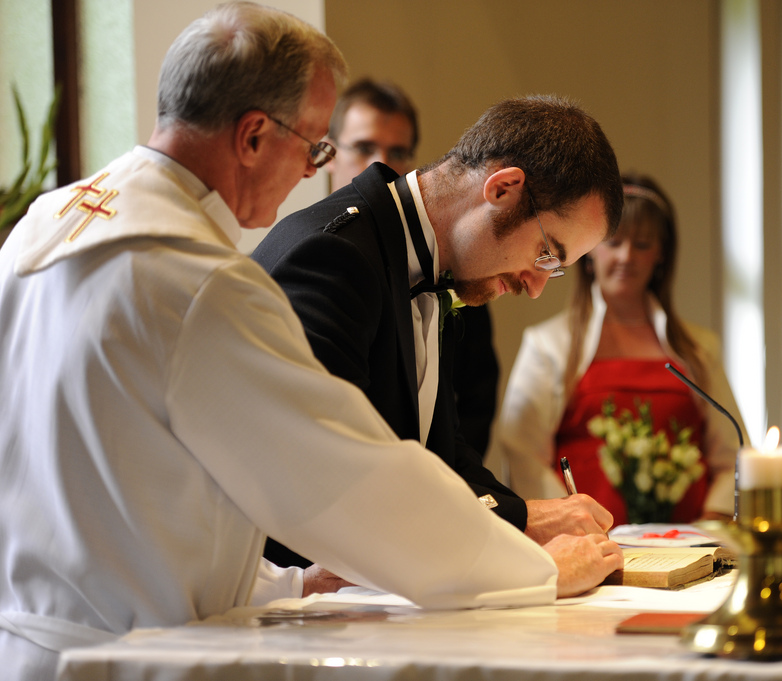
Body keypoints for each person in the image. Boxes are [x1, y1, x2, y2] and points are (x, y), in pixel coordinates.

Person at [0, 5, 621, 679]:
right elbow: (343, 474)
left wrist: (283, 586)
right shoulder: (194, 277)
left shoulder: (42, 227)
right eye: (315, 145)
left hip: (38, 641)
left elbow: (124, 496)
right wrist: (534, 572)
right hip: (132, 657)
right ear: (253, 136)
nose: (311, 172)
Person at [251, 94, 623, 568]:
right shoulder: (335, 258)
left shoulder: (426, 261)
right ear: (503, 189)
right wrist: (530, 544)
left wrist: (530, 515)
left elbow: (441, 455)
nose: (534, 288)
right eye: (546, 254)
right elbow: (331, 479)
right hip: (294, 607)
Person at [495, 174, 749, 526]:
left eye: (642, 244)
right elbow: (523, 453)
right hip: (586, 541)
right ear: (588, 251)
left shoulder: (698, 349)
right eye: (614, 242)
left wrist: (710, 527)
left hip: (690, 545)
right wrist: (573, 524)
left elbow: (732, 453)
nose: (627, 256)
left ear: (661, 254)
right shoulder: (548, 345)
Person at [327, 78, 500, 456]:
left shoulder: (451, 267)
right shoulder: (317, 254)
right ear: (330, 153)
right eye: (363, 147)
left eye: (397, 151)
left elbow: (476, 393)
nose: (379, 164)